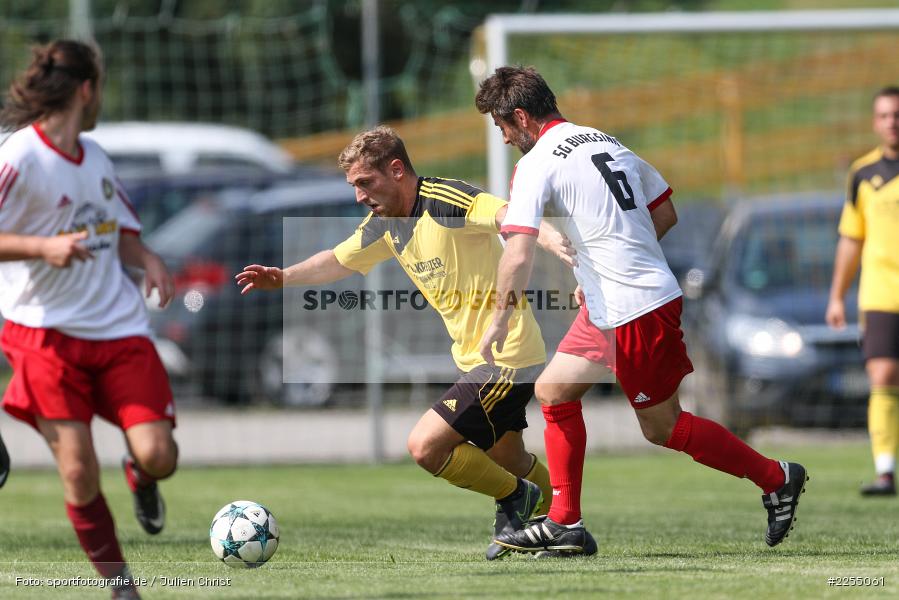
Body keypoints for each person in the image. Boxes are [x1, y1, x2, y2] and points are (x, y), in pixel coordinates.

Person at [475, 66, 807, 554]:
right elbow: (665, 212)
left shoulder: (537, 161)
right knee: (553, 390)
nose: (503, 139)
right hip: (617, 302)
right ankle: (566, 522)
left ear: (520, 117)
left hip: (636, 309)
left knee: (663, 426)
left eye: (501, 127)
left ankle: (776, 477)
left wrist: (499, 319)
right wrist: (607, 264)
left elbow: (518, 251)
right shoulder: (605, 141)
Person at [236, 125, 593, 560]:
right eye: (354, 187)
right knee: (510, 461)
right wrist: (284, 277)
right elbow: (338, 259)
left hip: (506, 356)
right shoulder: (384, 226)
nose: (359, 197)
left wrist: (555, 241)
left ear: (397, 170)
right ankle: (565, 523)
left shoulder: (445, 200)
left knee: (425, 446)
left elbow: (508, 215)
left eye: (365, 183)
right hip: (476, 359)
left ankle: (517, 500)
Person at [0, 40, 178, 599]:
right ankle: (122, 587)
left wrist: (147, 258)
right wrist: (41, 247)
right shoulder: (18, 157)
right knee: (78, 470)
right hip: (44, 334)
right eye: (100, 85)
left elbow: (121, 233)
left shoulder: (96, 158)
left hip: (119, 331)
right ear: (86, 89)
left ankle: (142, 478)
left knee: (159, 455)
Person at [826, 86, 899, 497]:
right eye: (886, 115)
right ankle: (886, 470)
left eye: (898, 115)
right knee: (883, 374)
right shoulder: (862, 174)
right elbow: (851, 239)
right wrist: (837, 295)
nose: (893, 122)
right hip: (881, 294)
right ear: (876, 122)